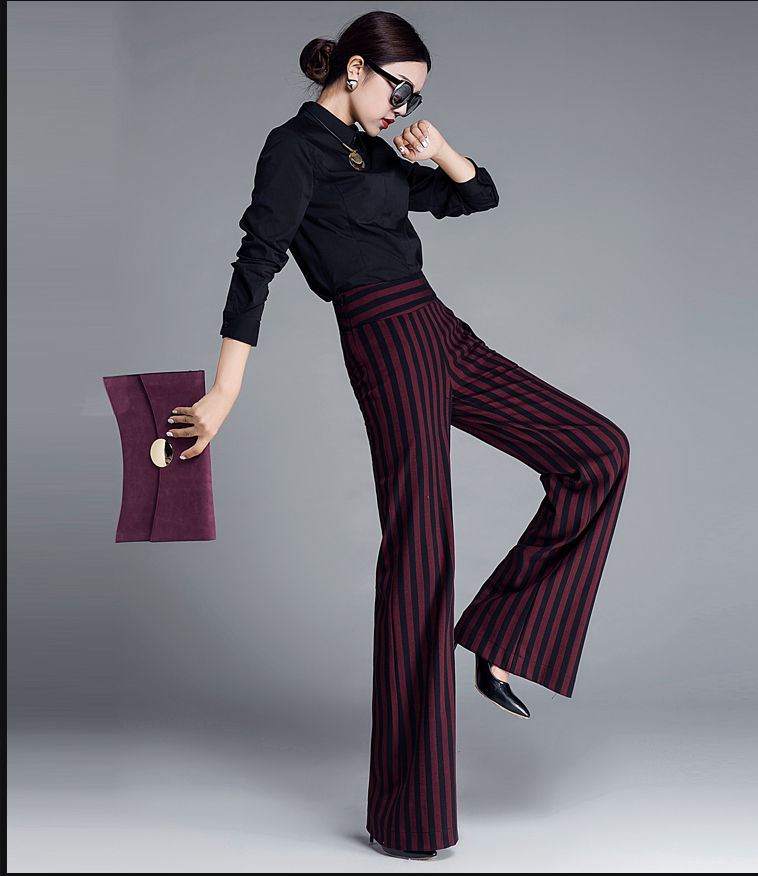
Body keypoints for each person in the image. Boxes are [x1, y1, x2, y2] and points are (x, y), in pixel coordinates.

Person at [165, 10, 630, 861]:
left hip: (439, 327)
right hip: (383, 336)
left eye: (415, 97)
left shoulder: (372, 151)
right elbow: (257, 260)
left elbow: (475, 195)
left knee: (598, 452)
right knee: (422, 550)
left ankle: (501, 639)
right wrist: (225, 391)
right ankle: (410, 816)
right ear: (353, 69)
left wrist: (439, 151)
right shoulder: (293, 149)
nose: (402, 107)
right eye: (399, 90)